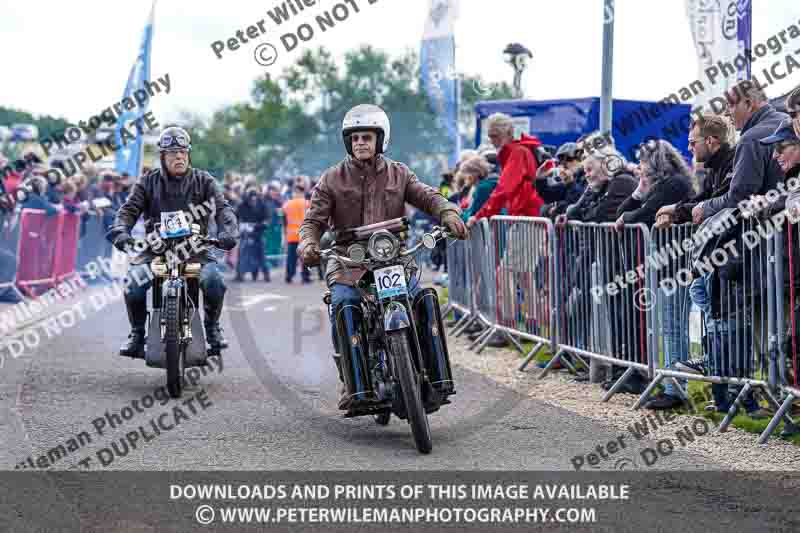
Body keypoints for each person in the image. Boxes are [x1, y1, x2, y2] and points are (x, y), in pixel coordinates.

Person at [297, 104, 467, 410]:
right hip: (349, 259)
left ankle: (437, 380)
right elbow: (313, 221)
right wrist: (308, 243)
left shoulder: (399, 173)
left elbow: (426, 195)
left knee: (423, 300)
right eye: (356, 138)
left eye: (367, 137)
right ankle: (353, 383)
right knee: (343, 303)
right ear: (348, 142)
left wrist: (447, 211)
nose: (361, 142)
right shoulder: (331, 179)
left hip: (395, 257)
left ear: (380, 139)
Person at [107, 126, 239, 358]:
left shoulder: (204, 180)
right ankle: (137, 333)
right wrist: (120, 231)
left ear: (188, 154)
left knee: (214, 281)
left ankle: (212, 328)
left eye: (182, 152)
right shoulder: (148, 182)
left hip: (196, 249)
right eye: (172, 153)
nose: (178, 156)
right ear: (162, 156)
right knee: (133, 284)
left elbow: (223, 209)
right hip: (156, 250)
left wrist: (228, 232)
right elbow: (128, 210)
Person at [615, 139, 694, 409]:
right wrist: (638, 190)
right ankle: (672, 384)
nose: (639, 167)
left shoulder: (674, 185)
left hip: (677, 264)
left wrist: (628, 216)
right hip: (667, 264)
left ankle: (675, 388)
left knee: (674, 328)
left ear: (655, 162)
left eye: (643, 162)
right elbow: (626, 210)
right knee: (669, 327)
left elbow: (642, 215)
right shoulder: (664, 184)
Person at [467, 113, 545, 227]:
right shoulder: (517, 151)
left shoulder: (518, 152)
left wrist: (479, 216)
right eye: (490, 136)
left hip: (526, 218)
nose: (492, 141)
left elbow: (503, 189)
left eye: (496, 136)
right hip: (524, 217)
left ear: (509, 133)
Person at [535, 142, 586, 220]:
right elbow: (548, 195)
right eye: (561, 160)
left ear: (580, 159)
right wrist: (540, 179)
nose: (564, 164)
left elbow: (580, 201)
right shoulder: (570, 180)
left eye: (569, 159)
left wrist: (556, 210)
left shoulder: (589, 178)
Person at [235, 188, 271, 282]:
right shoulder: (242, 205)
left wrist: (257, 225)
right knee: (243, 254)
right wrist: (241, 226)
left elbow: (267, 220)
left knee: (261, 255)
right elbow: (235, 217)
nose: (253, 201)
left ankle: (265, 274)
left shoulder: (262, 205)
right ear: (248, 198)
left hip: (258, 233)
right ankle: (240, 274)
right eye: (251, 199)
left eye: (254, 199)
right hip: (245, 233)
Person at [283, 180, 311, 284]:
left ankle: (289, 276)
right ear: (303, 192)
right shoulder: (307, 204)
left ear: (294, 192)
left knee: (291, 258)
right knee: (305, 257)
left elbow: (284, 221)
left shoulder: (287, 204)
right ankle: (305, 277)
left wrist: (284, 234)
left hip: (291, 236)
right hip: (304, 235)